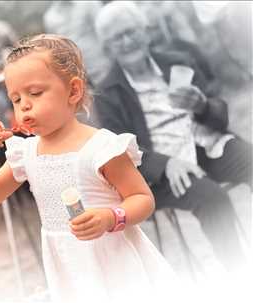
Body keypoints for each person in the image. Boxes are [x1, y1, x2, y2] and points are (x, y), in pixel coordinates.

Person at [0, 34, 179, 303]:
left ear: (73, 90)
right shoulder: (26, 153)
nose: (25, 106)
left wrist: (110, 217)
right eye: (16, 100)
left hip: (117, 266)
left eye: (34, 93)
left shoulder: (101, 148)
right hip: (71, 271)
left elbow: (143, 200)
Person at [93, 1, 251, 272]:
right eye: (117, 38)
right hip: (162, 171)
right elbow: (119, 150)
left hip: (204, 146)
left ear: (145, 31)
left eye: (130, 31)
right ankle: (241, 274)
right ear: (108, 48)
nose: (127, 41)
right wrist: (165, 163)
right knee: (213, 199)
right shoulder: (109, 93)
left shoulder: (177, 61)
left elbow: (219, 116)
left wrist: (202, 105)